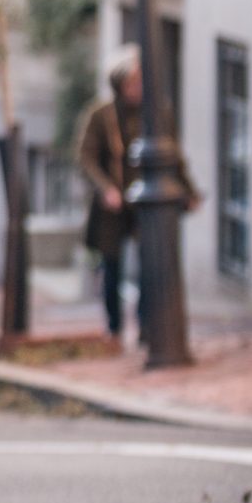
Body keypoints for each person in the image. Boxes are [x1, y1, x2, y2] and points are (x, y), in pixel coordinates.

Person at [77, 46, 200, 341]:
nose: (138, 88)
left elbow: (173, 155)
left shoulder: (158, 113)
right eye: (133, 82)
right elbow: (86, 158)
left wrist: (189, 190)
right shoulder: (102, 115)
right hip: (114, 203)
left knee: (150, 262)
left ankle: (147, 326)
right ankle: (114, 326)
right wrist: (106, 188)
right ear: (120, 83)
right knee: (112, 264)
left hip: (147, 200)